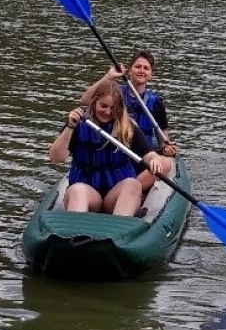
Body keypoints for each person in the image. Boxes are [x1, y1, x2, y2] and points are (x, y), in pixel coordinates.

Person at [49, 79, 168, 215]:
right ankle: (76, 233)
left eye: (113, 108)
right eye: (103, 106)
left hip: (114, 196)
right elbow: (55, 158)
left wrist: (154, 160)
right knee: (77, 190)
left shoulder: (127, 127)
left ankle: (119, 230)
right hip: (88, 194)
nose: (107, 112)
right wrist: (70, 127)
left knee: (133, 184)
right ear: (94, 102)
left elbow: (149, 154)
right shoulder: (78, 123)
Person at [78, 50, 176, 190]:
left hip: (142, 156)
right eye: (137, 67)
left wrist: (166, 148)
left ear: (151, 75)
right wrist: (109, 76)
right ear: (129, 70)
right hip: (117, 154)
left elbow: (163, 139)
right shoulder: (115, 94)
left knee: (166, 163)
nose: (141, 71)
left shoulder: (156, 103)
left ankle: (130, 189)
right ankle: (124, 190)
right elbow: (85, 100)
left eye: (146, 68)